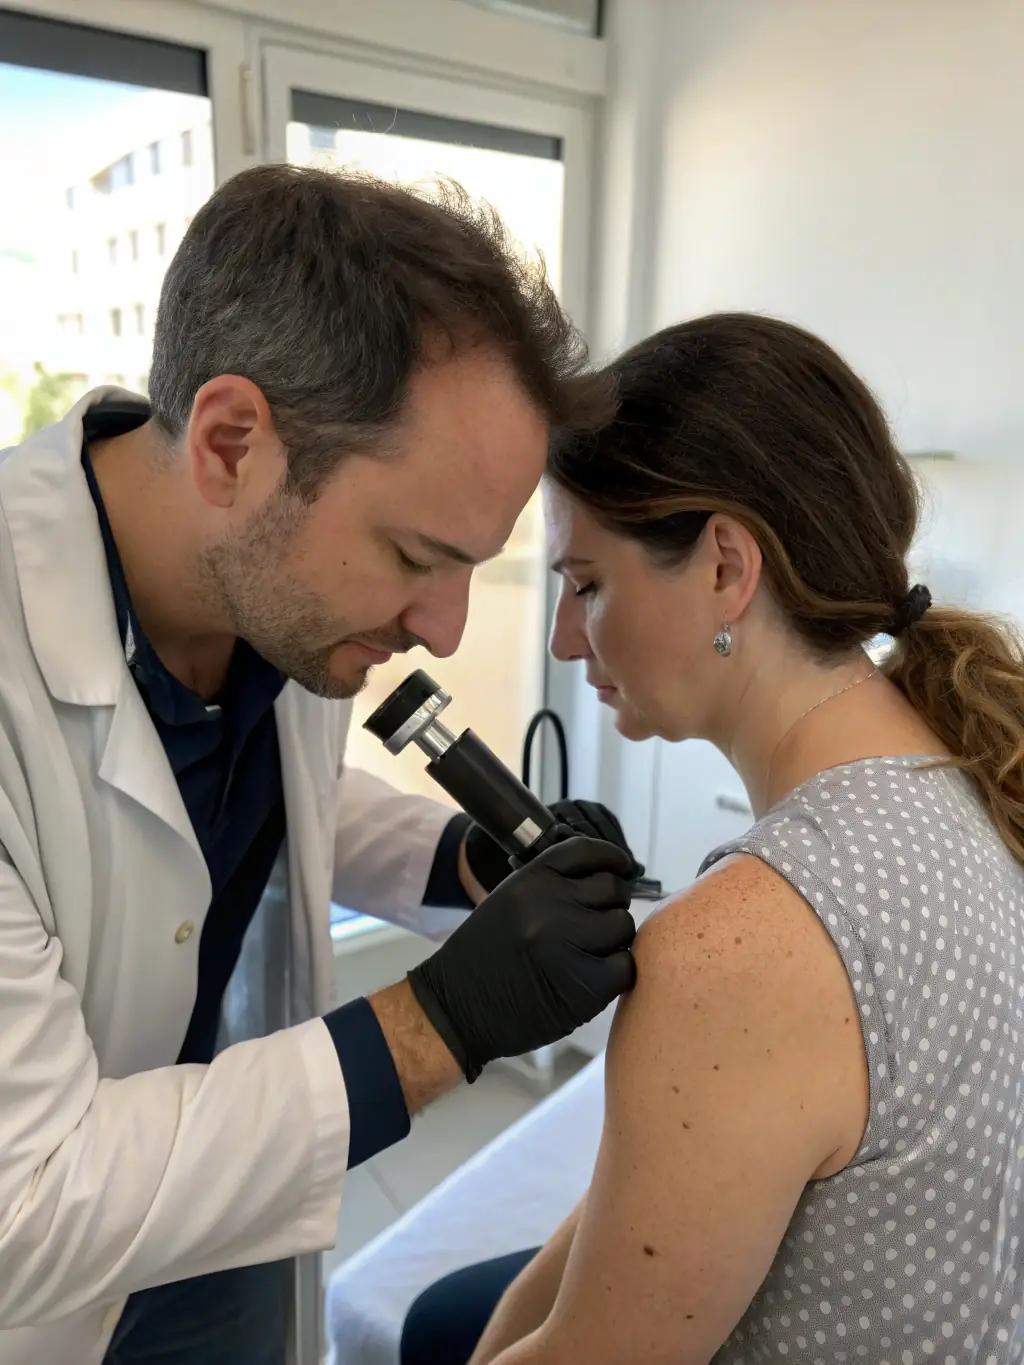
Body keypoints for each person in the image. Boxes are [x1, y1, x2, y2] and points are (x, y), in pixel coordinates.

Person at [0, 164, 641, 1365]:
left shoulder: (263, 595)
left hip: (223, 1198)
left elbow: (268, 804)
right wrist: (444, 1019)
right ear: (231, 444)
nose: (445, 629)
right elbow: (25, 1200)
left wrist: (467, 861)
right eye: (415, 555)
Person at [400, 313, 1024, 1365]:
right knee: (447, 1321)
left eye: (587, 585)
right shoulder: (966, 773)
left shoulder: (739, 945)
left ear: (728, 566)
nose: (563, 639)